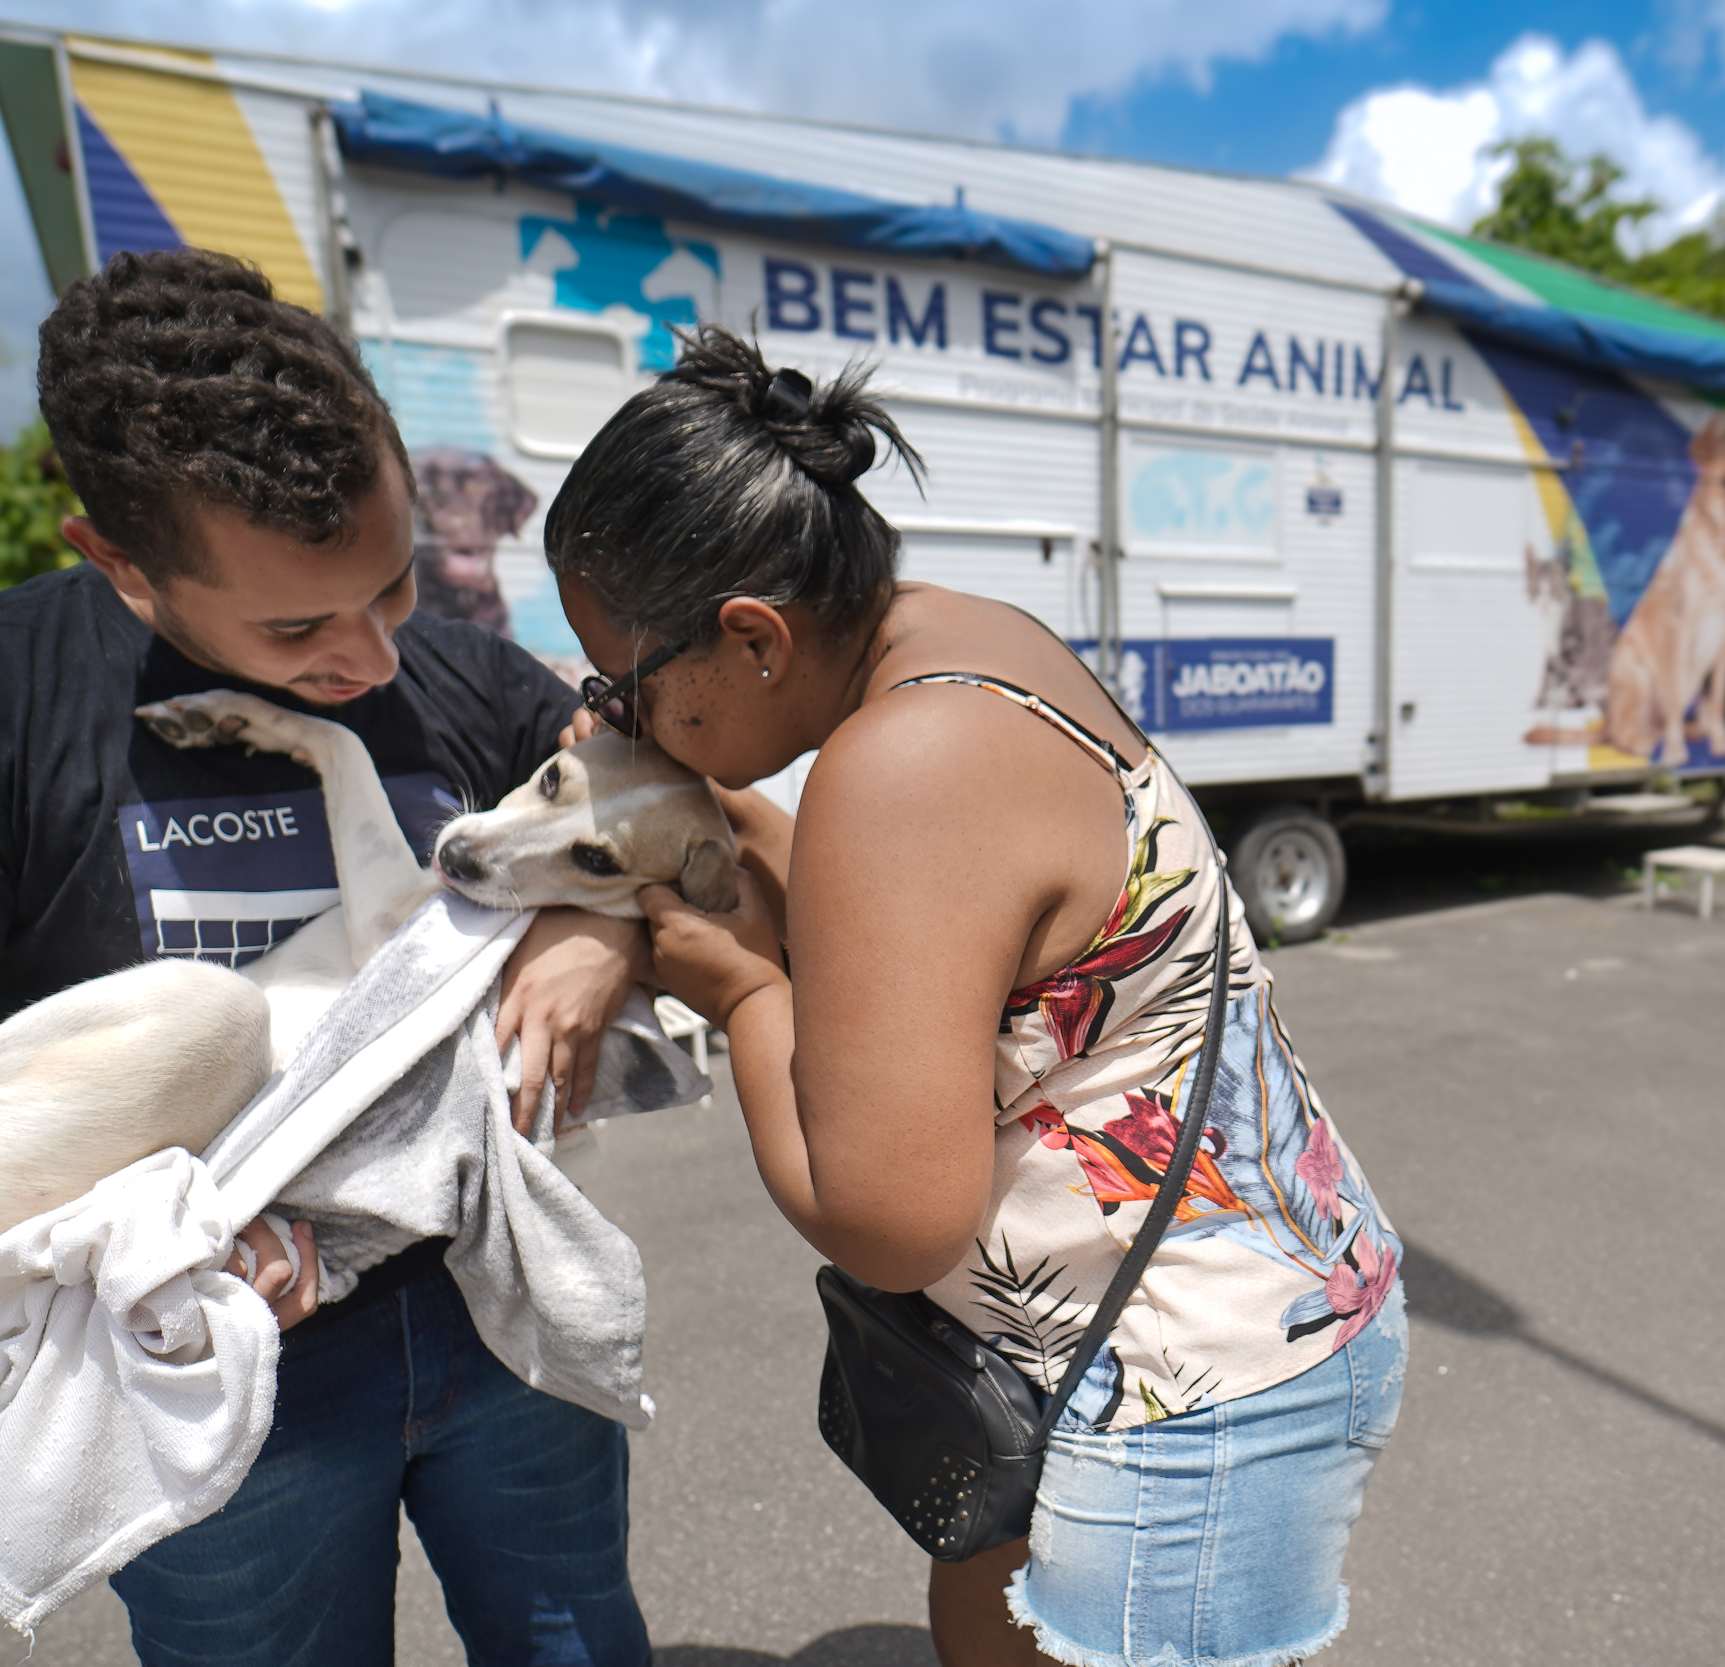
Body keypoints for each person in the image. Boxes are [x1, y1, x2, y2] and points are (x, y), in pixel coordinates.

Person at [0, 249, 654, 1666]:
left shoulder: (466, 681)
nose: (372, 661)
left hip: (501, 1310)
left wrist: (596, 931)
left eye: (397, 582)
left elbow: (648, 805)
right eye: (297, 627)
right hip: (217, 1384)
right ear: (113, 558)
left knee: (576, 1643)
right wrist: (179, 1269)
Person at [544, 328, 1405, 1667]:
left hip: (1192, 1394)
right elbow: (923, 942)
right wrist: (706, 807)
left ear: (755, 636)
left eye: (633, 685)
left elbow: (889, 1221)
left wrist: (737, 997)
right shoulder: (959, 637)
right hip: (1244, 1301)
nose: (630, 718)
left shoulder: (904, 768)